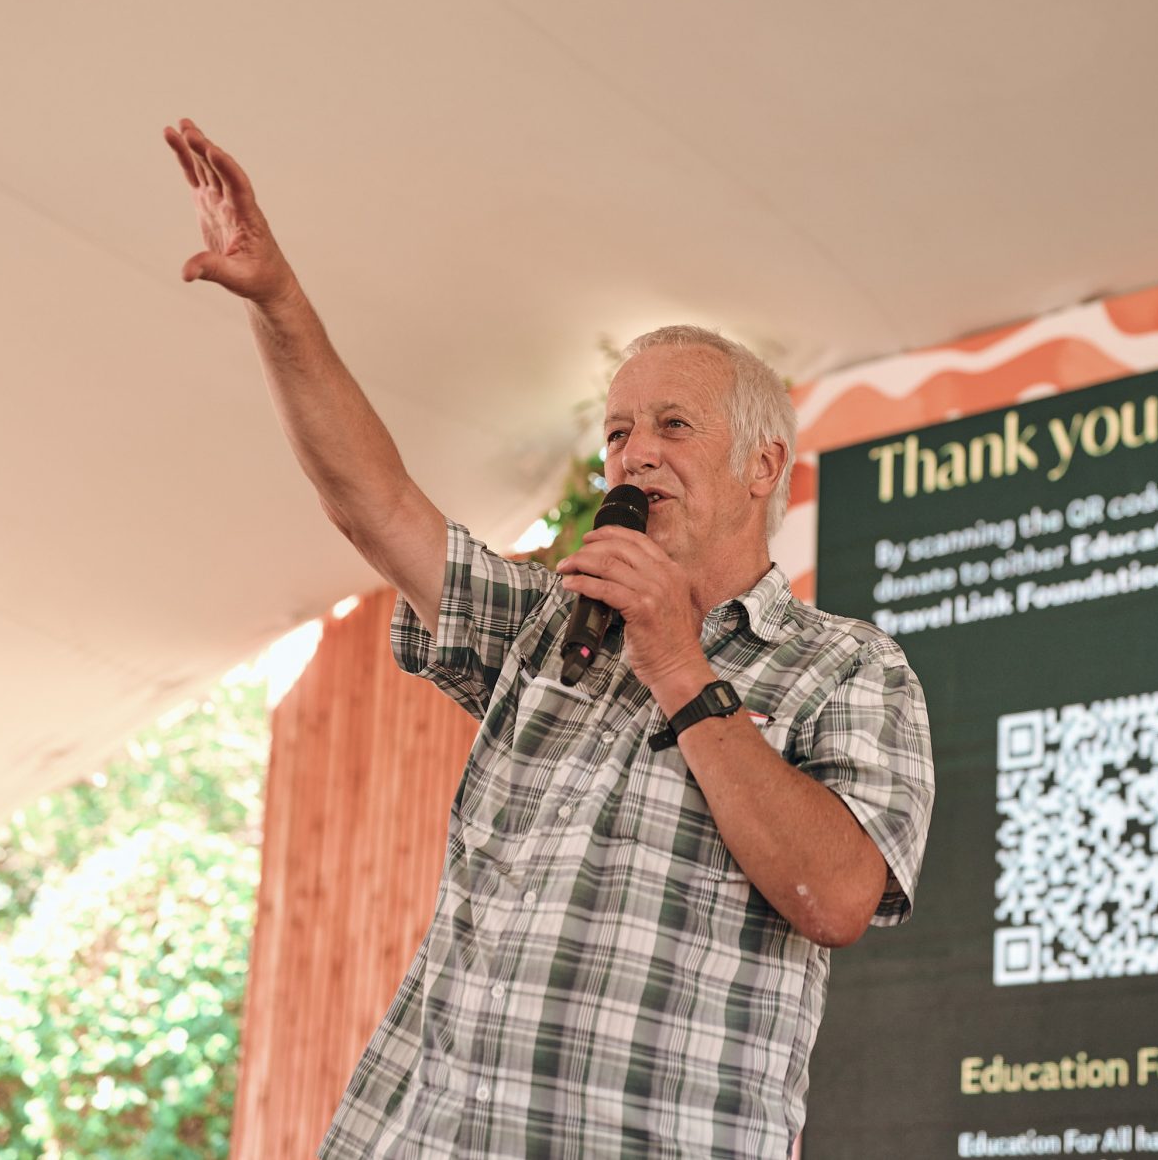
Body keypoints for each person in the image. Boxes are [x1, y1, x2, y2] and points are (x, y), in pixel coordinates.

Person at [164, 118, 934, 1159]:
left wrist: (677, 663)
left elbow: (836, 896)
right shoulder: (547, 622)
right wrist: (279, 303)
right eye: (616, 432)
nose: (633, 454)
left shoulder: (849, 667)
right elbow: (373, 505)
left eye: (672, 425)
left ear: (763, 466)